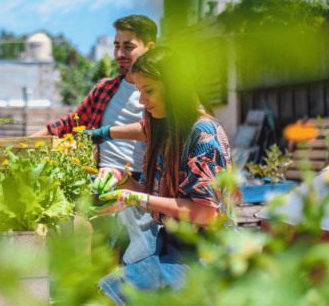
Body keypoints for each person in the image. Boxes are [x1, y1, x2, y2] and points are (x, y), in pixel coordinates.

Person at [91, 47, 237, 305]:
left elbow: (205, 213)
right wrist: (121, 178)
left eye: (149, 90)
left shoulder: (204, 134)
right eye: (139, 91)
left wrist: (135, 198)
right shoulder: (165, 131)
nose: (141, 101)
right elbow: (154, 196)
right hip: (173, 247)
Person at [30, 15, 157, 179]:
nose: (119, 54)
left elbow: (159, 128)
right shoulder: (104, 89)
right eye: (116, 46)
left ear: (150, 48)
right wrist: (21, 144)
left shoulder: (161, 92)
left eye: (128, 46)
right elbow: (70, 124)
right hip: (98, 178)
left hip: (143, 182)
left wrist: (103, 133)